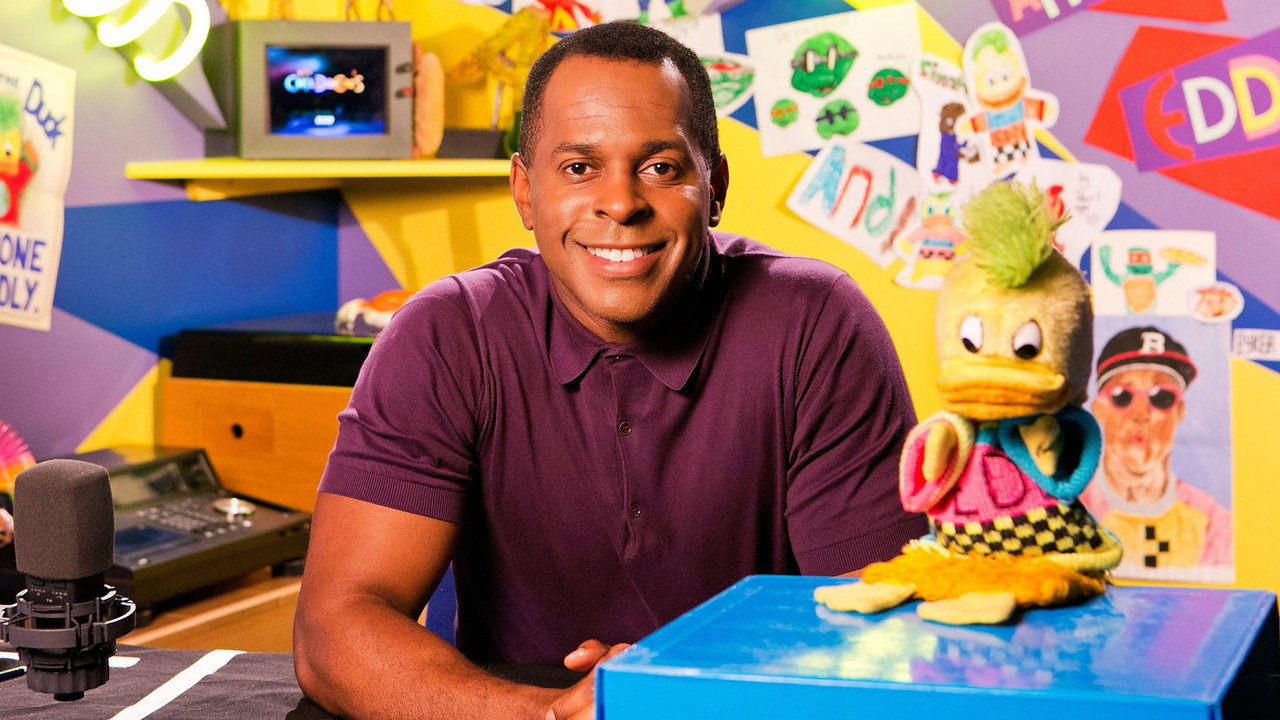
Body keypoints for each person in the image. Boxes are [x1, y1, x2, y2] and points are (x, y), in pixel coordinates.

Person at [293, 21, 925, 720]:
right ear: (524, 190)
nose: (621, 203)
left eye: (660, 167)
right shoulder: (447, 333)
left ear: (714, 187)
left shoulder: (817, 322)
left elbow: (886, 626)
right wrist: (551, 715)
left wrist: (677, 682)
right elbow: (334, 629)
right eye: (578, 168)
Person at [1080, 326, 1231, 572]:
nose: (1141, 413)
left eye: (1161, 397)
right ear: (1099, 409)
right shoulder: (1071, 508)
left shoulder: (1213, 524)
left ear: (1179, 412)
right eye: (1122, 395)